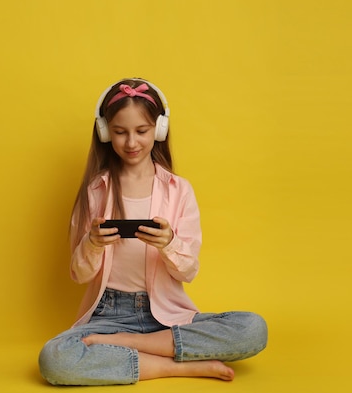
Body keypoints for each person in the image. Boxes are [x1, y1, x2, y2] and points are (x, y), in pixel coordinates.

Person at [38, 78, 267, 386]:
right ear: (105, 132)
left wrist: (169, 244)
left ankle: (130, 345)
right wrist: (92, 244)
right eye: (120, 132)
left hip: (167, 317)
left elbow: (189, 272)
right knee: (54, 358)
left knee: (253, 328)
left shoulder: (179, 190)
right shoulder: (95, 190)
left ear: (159, 129)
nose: (131, 142)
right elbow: (79, 275)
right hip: (108, 315)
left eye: (141, 131)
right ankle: (177, 366)